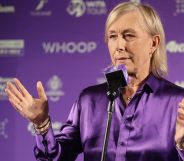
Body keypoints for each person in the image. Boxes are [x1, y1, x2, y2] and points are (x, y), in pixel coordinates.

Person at [4, 1, 184, 161]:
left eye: (129, 35)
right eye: (113, 36)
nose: (119, 46)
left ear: (153, 43)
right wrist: (41, 124)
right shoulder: (89, 100)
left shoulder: (178, 102)